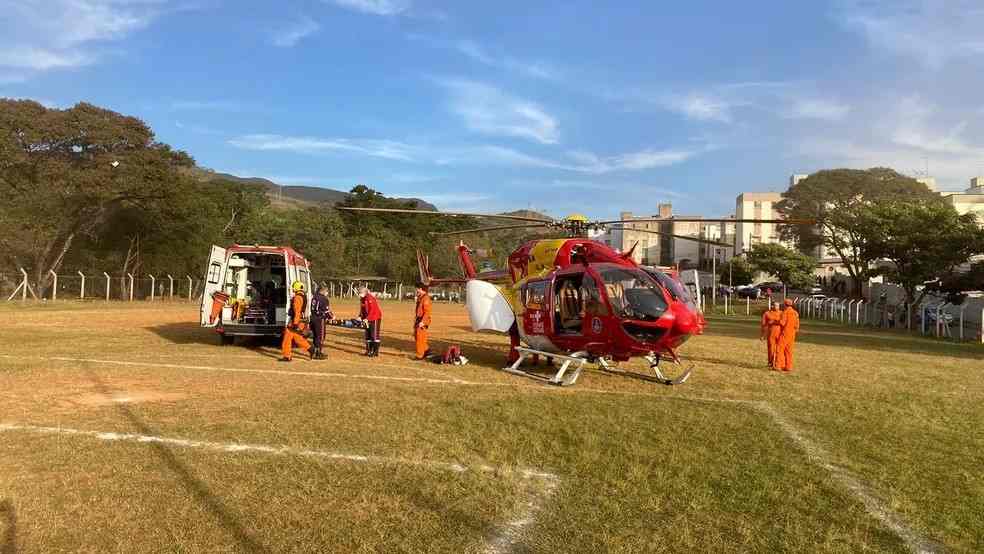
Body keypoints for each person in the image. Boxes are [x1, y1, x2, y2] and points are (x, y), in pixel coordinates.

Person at [280, 281, 311, 362]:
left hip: (296, 320)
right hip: (300, 320)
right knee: (297, 338)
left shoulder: (297, 297)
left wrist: (295, 323)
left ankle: (287, 356)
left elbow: (297, 311)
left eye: (293, 287)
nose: (292, 288)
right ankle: (312, 350)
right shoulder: (303, 296)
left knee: (287, 337)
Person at [775, 298, 800, 372]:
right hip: (792, 334)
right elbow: (797, 325)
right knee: (789, 351)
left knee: (779, 349)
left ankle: (778, 366)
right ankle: (788, 367)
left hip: (785, 333)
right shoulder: (795, 313)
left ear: (785, 305)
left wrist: (776, 321)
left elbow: (782, 323)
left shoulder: (785, 312)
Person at [308, 285, 332, 360]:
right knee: (321, 336)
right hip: (320, 319)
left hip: (313, 318)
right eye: (327, 292)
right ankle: (318, 353)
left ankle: (314, 351)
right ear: (324, 291)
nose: (327, 293)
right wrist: (331, 317)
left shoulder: (314, 297)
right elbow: (326, 311)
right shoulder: (324, 299)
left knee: (315, 335)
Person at [359, 286, 382, 357]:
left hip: (374, 317)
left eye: (360, 292)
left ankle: (375, 352)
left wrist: (367, 318)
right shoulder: (362, 299)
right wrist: (360, 316)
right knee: (367, 335)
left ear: (365, 292)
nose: (359, 294)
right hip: (367, 318)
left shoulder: (370, 298)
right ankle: (368, 350)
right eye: (359, 293)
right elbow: (362, 309)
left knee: (374, 335)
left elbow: (373, 310)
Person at [413, 282, 433, 360]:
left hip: (422, 320)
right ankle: (427, 350)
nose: (416, 290)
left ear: (420, 289)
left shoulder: (426, 298)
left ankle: (420, 355)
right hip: (418, 319)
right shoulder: (421, 297)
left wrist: (423, 322)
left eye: (417, 289)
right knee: (417, 336)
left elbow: (427, 312)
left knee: (420, 337)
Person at [760, 303, 782, 369]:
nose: (777, 307)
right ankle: (770, 363)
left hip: (780, 334)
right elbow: (763, 325)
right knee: (771, 349)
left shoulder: (782, 313)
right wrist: (762, 335)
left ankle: (779, 363)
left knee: (779, 349)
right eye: (776, 305)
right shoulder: (767, 313)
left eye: (778, 306)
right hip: (771, 334)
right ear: (772, 306)